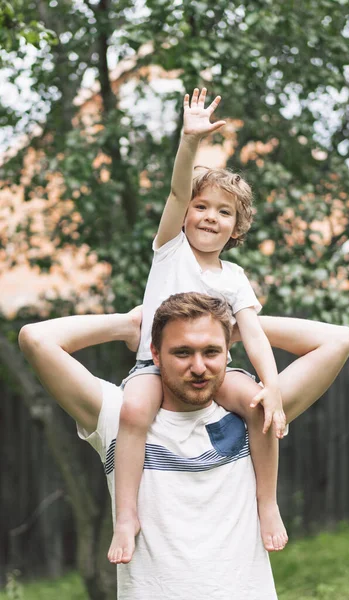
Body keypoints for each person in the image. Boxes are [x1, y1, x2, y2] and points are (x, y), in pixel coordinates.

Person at [18, 291, 349, 600]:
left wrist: (240, 326)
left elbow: (338, 340)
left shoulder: (255, 413)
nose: (198, 367)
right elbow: (35, 339)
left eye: (211, 351)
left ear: (227, 353)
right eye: (182, 352)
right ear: (156, 353)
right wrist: (129, 324)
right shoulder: (118, 417)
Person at [111, 87, 288, 564]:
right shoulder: (170, 248)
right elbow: (175, 188)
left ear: (237, 228)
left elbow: (252, 335)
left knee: (258, 408)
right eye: (202, 206)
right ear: (186, 214)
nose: (210, 216)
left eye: (224, 212)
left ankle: (267, 503)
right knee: (131, 411)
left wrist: (271, 387)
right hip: (155, 366)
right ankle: (125, 514)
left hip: (214, 370)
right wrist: (189, 141)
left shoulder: (234, 278)